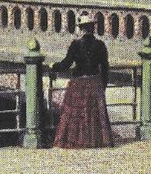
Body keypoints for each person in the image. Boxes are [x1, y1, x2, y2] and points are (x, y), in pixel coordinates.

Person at [50, 13, 116, 148]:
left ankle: (77, 141)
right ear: (93, 28)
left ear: (81, 29)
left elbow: (66, 64)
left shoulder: (75, 44)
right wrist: (103, 85)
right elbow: (105, 67)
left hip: (78, 82)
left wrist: (54, 66)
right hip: (94, 82)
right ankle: (95, 141)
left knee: (75, 114)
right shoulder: (100, 45)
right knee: (93, 114)